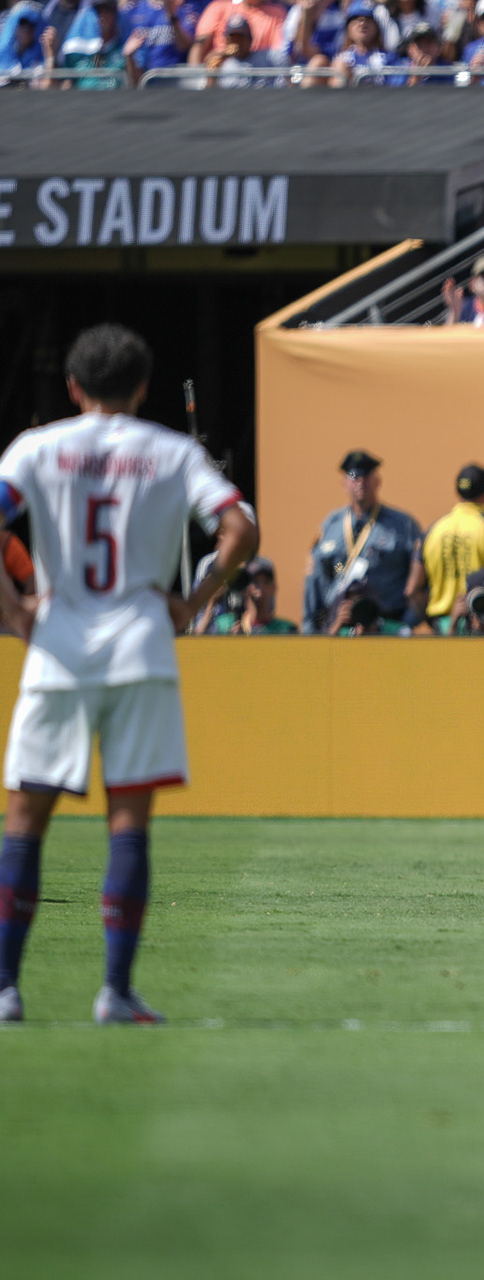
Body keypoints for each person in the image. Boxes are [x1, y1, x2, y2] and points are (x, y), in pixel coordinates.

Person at [0, 324, 258, 1025]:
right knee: (128, 822)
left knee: (24, 818)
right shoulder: (172, 452)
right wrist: (194, 602)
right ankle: (115, 992)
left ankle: (5, 989)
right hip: (141, 646)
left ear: (73, 387)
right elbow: (240, 528)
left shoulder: (35, 448)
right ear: (143, 388)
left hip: (56, 647)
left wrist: (15, 609)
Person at [301, 449, 425, 633]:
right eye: (353, 476)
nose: (360, 481)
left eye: (366, 476)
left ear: (378, 481)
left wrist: (407, 623)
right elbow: (315, 577)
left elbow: (420, 577)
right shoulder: (330, 526)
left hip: (386, 625)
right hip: (340, 625)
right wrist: (311, 627)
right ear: (344, 483)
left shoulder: (402, 526)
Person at [423, 463, 484, 626]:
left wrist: (433, 623)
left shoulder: (434, 529)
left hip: (443, 624)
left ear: (458, 492)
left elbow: (412, 589)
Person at [209, 557, 296, 634]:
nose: (260, 587)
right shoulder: (224, 625)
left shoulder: (286, 630)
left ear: (274, 587)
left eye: (266, 581)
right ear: (244, 586)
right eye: (255, 581)